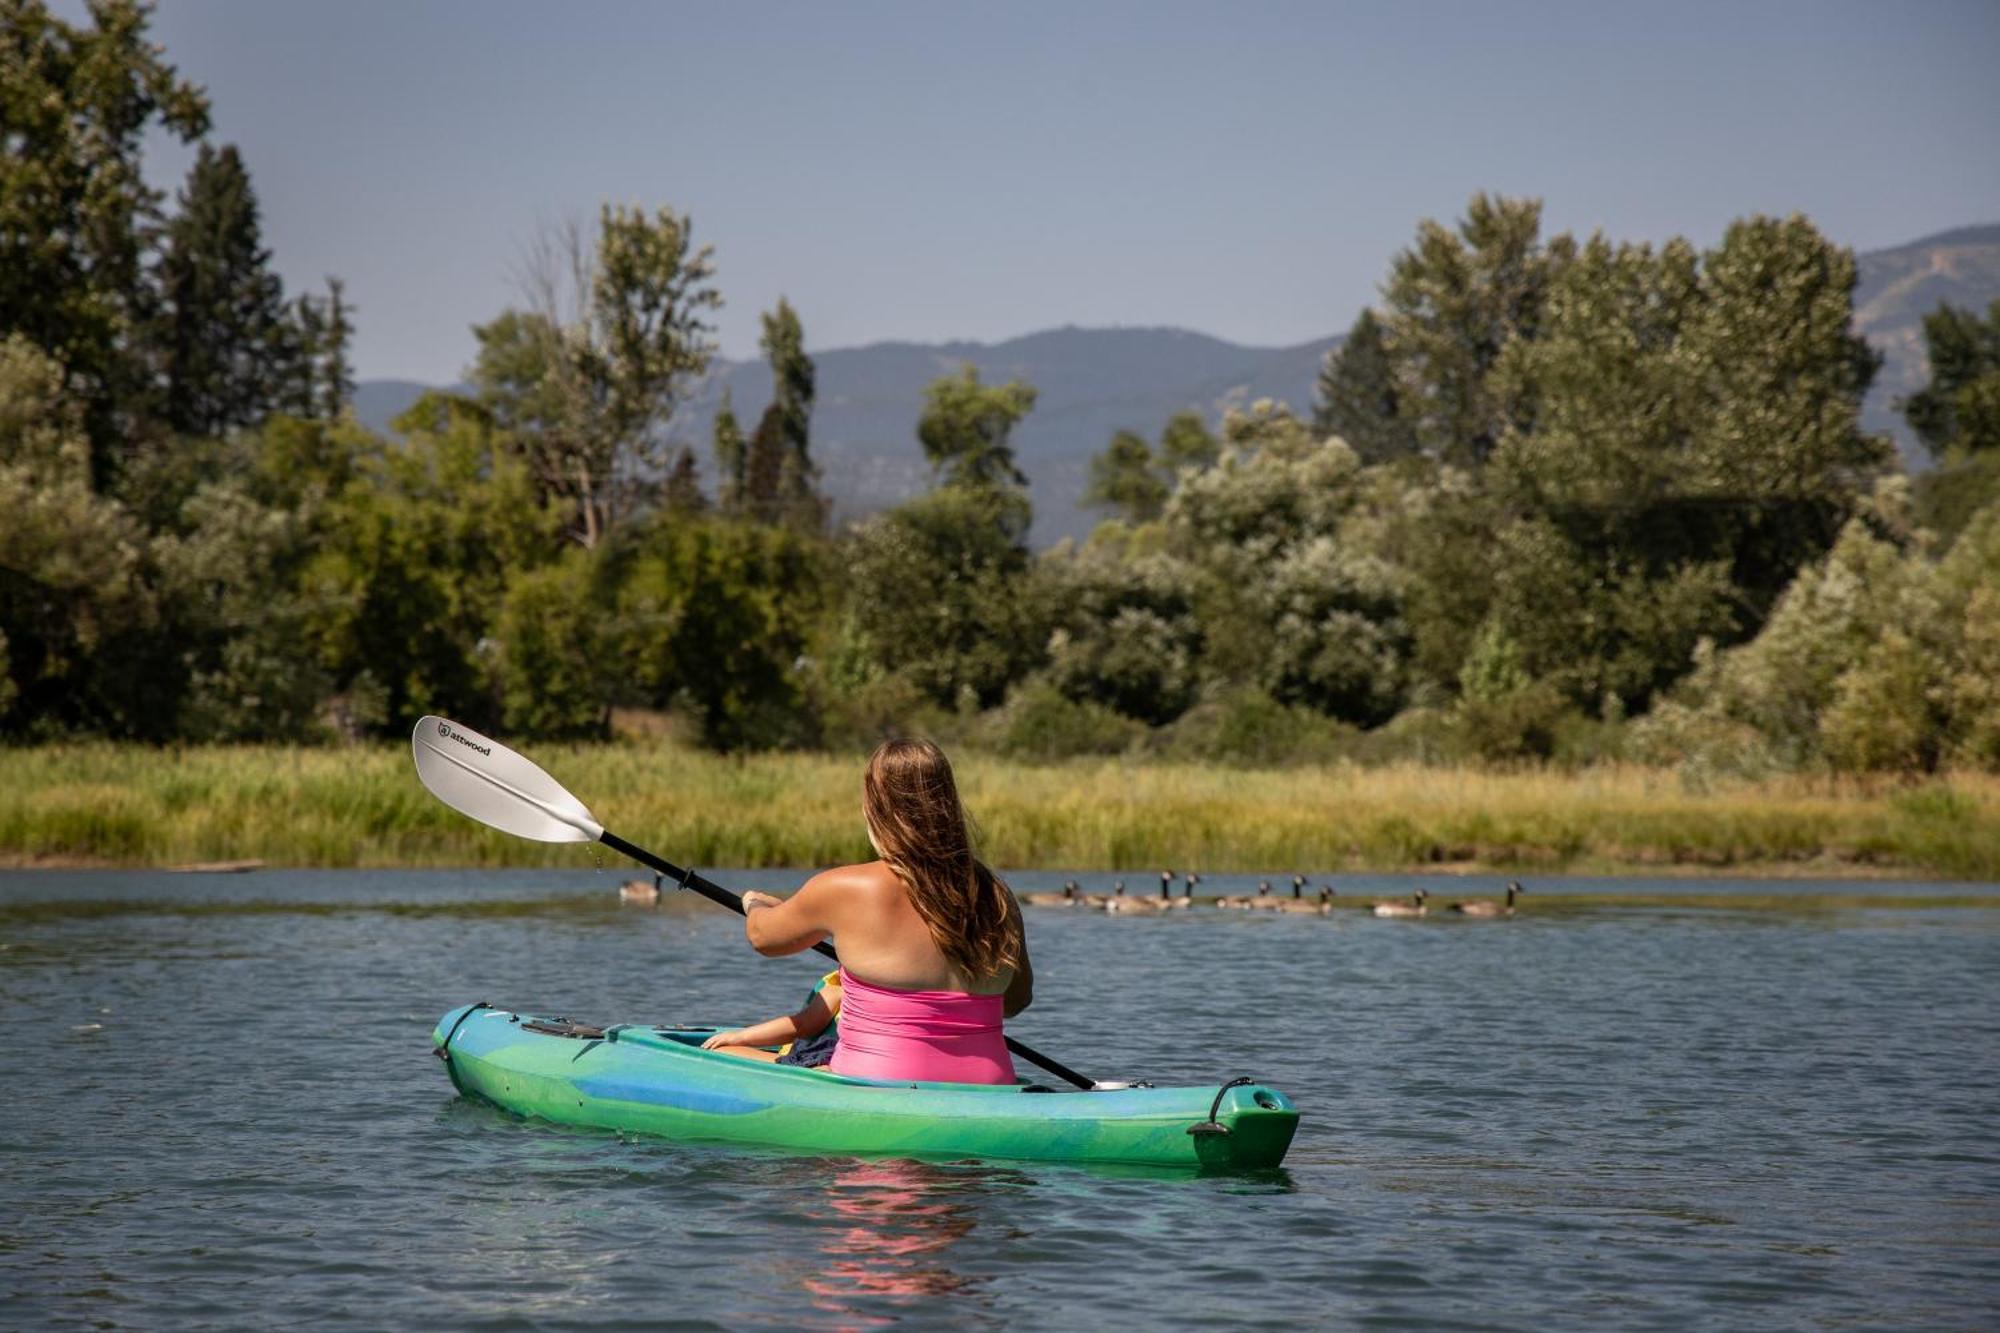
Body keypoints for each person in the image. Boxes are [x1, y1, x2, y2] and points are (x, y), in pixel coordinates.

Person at [730, 738, 1032, 1085]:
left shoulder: (845, 888)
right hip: (990, 1082)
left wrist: (755, 902)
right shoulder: (996, 893)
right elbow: (1016, 1000)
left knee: (718, 1052)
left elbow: (763, 937)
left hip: (874, 1083)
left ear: (874, 806)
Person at [700, 971, 843, 1067]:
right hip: (840, 1065)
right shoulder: (857, 994)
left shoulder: (836, 992)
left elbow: (802, 1026)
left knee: (719, 1052)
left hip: (814, 1064)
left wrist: (738, 1037)